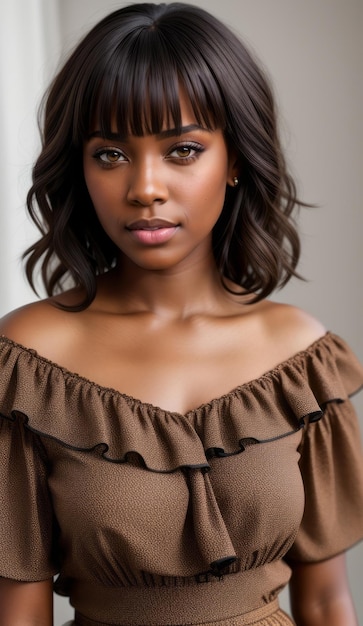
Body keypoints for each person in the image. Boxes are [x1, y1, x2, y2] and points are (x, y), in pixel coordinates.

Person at [0, 3, 362, 625]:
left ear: (237, 159)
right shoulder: (27, 361)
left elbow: (328, 601)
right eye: (110, 154)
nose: (144, 187)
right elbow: (18, 609)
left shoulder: (302, 359)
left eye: (183, 149)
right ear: (80, 167)